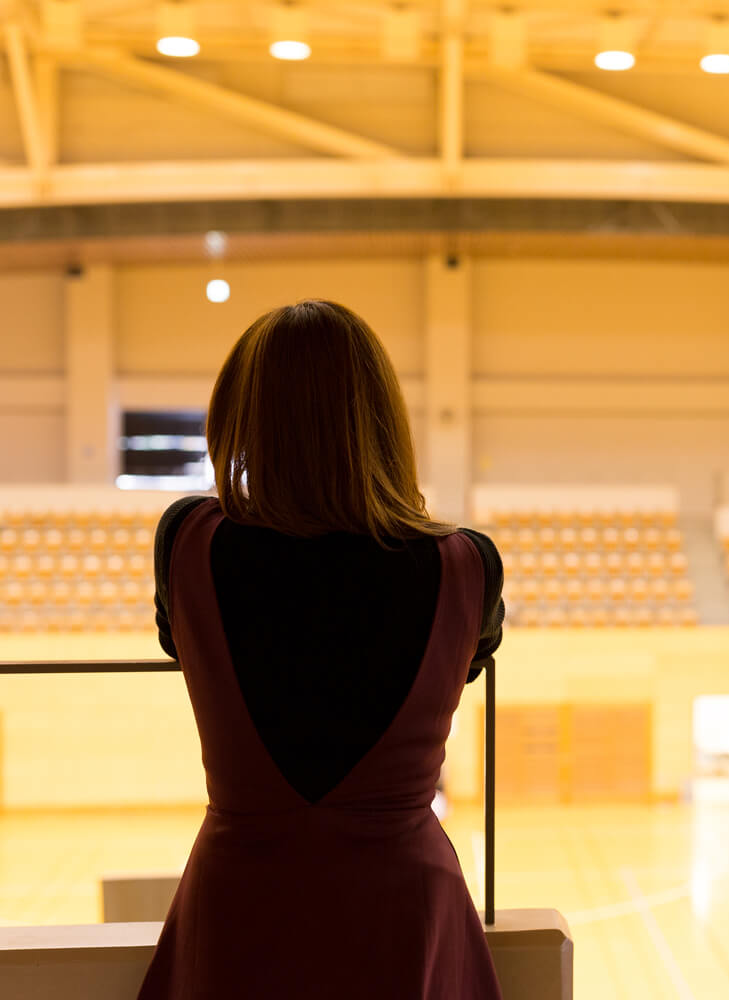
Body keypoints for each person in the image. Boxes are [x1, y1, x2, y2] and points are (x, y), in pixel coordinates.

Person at [137, 301, 505, 1000]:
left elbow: (177, 641)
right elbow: (470, 658)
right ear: (384, 423)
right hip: (404, 909)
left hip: (243, 897)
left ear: (239, 420)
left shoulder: (188, 540)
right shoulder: (466, 563)